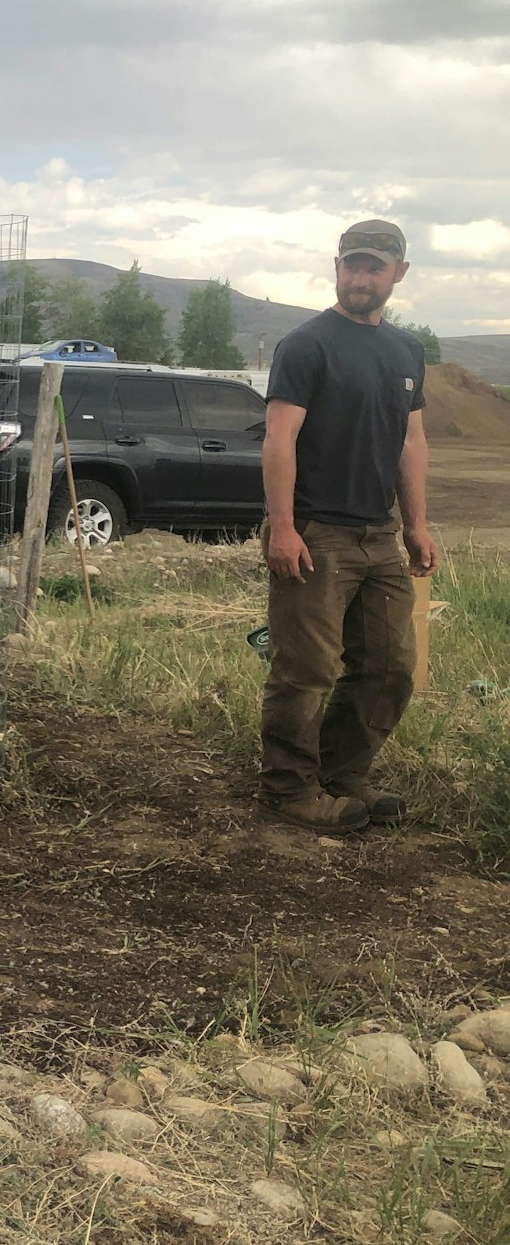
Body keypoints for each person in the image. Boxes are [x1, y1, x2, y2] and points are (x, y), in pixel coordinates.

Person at [259, 219, 439, 832]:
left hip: (379, 534)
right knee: (306, 671)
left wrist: (416, 524)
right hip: (316, 531)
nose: (361, 278)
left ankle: (341, 774)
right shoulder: (308, 344)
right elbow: (280, 437)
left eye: (374, 268)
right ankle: (288, 791)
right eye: (352, 265)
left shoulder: (406, 350)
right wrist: (283, 527)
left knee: (390, 666)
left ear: (399, 274)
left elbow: (410, 441)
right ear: (336, 268)